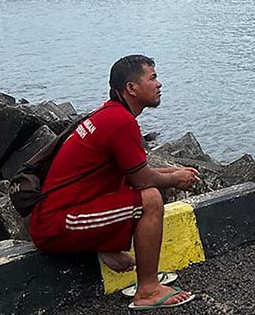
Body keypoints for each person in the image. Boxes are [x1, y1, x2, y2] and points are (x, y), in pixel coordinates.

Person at [29, 55, 201, 310]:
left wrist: (173, 171)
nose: (159, 84)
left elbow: (134, 171)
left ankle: (124, 259)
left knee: (138, 189)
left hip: (60, 213)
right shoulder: (121, 122)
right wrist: (176, 178)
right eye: (152, 78)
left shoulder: (108, 113)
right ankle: (148, 290)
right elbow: (142, 180)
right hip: (57, 223)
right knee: (151, 199)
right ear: (131, 88)